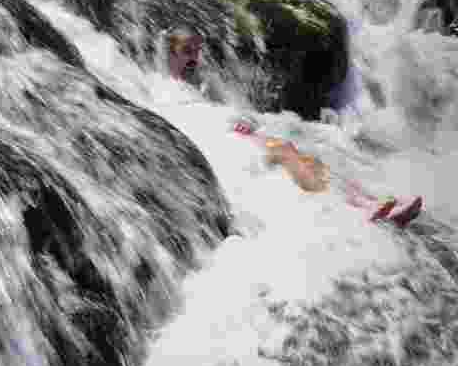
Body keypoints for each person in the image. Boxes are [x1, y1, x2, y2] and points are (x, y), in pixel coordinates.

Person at [165, 27, 424, 229]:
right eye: (188, 51)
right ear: (171, 52)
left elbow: (231, 111)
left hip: (232, 138)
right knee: (287, 154)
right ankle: (359, 207)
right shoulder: (160, 89)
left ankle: (371, 200)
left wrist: (244, 122)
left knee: (302, 153)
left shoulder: (202, 83)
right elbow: (187, 126)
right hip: (215, 154)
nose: (195, 58)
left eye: (197, 51)